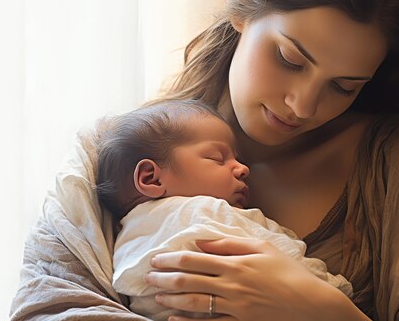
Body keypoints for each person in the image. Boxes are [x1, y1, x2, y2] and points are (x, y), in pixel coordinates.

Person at [11, 0, 399, 320]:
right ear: (242, 13)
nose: (303, 105)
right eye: (290, 59)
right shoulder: (109, 155)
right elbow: (48, 307)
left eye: (344, 86)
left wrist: (322, 311)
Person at [95, 99, 352, 320]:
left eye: (237, 159)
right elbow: (283, 257)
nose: (243, 169)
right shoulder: (209, 211)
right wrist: (333, 291)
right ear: (151, 178)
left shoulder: (123, 239)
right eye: (218, 158)